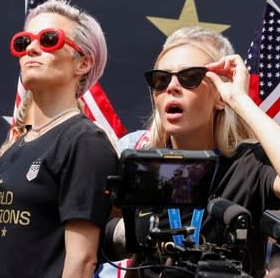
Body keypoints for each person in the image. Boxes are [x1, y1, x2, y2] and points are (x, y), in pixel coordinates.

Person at [120, 26, 280, 278]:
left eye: (190, 76)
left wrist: (238, 99)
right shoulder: (143, 168)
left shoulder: (249, 164)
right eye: (161, 79)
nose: (172, 86)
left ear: (219, 97)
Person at [0, 0, 118, 278]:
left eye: (49, 39)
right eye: (23, 41)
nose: (31, 48)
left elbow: (81, 261)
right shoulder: (14, 146)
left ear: (84, 63)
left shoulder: (85, 142)